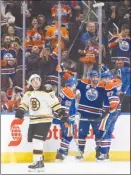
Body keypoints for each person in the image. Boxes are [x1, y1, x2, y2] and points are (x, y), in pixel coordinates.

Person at [15, 74, 68, 172]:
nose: (36, 81)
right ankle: (39, 161)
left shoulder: (46, 91)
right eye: (33, 80)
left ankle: (38, 162)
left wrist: (61, 113)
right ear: (30, 82)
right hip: (33, 120)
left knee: (37, 140)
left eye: (37, 80)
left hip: (45, 120)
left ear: (40, 81)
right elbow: (24, 104)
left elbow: (55, 104)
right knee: (34, 141)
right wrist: (20, 111)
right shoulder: (28, 93)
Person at [75, 70, 106, 160]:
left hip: (97, 115)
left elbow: (114, 87)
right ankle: (80, 152)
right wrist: (62, 73)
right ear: (90, 77)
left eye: (97, 77)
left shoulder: (102, 87)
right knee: (82, 134)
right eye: (93, 77)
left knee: (98, 134)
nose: (95, 78)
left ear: (99, 78)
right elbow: (72, 82)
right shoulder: (84, 85)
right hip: (84, 114)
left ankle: (98, 153)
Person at [96, 71, 122, 161]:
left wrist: (109, 110)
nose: (102, 80)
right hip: (115, 112)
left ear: (107, 78)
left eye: (103, 78)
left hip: (110, 112)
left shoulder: (109, 85)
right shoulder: (114, 84)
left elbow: (113, 102)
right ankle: (106, 153)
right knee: (108, 131)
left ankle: (103, 153)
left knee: (103, 131)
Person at [53, 76, 78, 161]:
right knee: (69, 135)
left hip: (61, 116)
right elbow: (66, 106)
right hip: (65, 118)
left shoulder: (63, 90)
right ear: (74, 84)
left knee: (65, 135)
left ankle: (64, 151)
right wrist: (66, 117)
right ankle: (61, 153)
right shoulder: (69, 93)